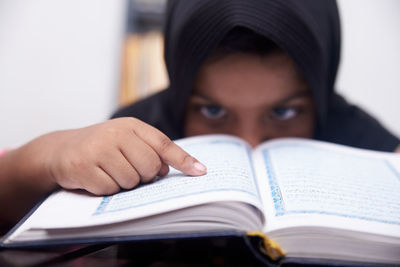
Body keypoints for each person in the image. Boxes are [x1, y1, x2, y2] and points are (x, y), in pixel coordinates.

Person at [0, 0, 399, 227]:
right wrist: (42, 158)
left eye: (283, 111)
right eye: (212, 110)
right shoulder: (137, 127)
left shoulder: (362, 140)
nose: (250, 145)